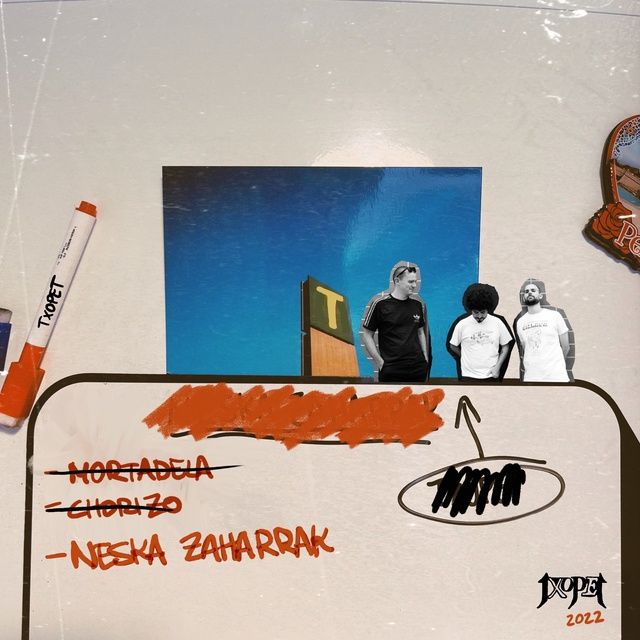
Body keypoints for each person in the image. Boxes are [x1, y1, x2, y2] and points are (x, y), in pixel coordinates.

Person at [361, 263, 429, 383]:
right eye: (410, 282)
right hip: (391, 369)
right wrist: (380, 363)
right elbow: (366, 334)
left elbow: (420, 332)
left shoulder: (417, 305)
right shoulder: (380, 305)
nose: (414, 285)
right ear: (397, 281)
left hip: (418, 368)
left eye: (415, 282)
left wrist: (425, 357)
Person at [448, 283, 513, 381]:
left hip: (491, 375)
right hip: (468, 376)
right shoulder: (462, 324)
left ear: (488, 309)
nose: (479, 316)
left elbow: (505, 346)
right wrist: (464, 356)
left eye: (483, 312)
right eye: (476, 312)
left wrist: (497, 367)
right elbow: (453, 345)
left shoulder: (497, 322)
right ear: (471, 310)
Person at [514, 279, 571, 382]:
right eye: (526, 292)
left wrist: (556, 365)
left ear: (540, 296)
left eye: (533, 290)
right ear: (524, 297)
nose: (529, 292)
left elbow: (566, 346)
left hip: (556, 376)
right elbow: (526, 347)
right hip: (532, 376)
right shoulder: (520, 322)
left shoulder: (554, 315)